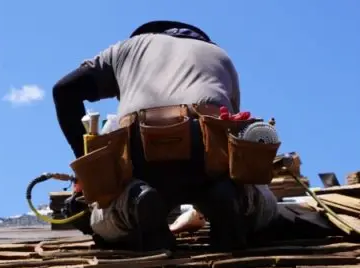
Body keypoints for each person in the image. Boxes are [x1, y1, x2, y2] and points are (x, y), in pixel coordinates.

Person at [52, 20, 280, 252]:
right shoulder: (219, 55)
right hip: (207, 150)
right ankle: (229, 199)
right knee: (261, 202)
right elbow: (232, 135)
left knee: (102, 218)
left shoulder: (123, 49)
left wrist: (90, 168)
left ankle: (135, 201)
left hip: (140, 151)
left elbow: (64, 90)